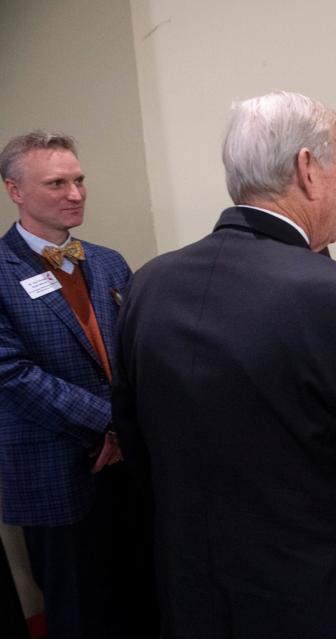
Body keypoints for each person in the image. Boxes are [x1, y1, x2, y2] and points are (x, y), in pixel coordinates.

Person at [112, 92, 336, 639]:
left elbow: (137, 441)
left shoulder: (148, 284)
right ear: (308, 169)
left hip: (192, 587)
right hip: (319, 597)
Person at [0, 132, 156, 639]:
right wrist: (111, 423)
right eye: (57, 183)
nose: (76, 193)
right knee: (79, 614)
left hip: (129, 469)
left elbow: (138, 354)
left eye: (79, 180)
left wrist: (127, 429)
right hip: (55, 473)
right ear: (15, 191)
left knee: (143, 599)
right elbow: (12, 373)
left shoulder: (109, 262)